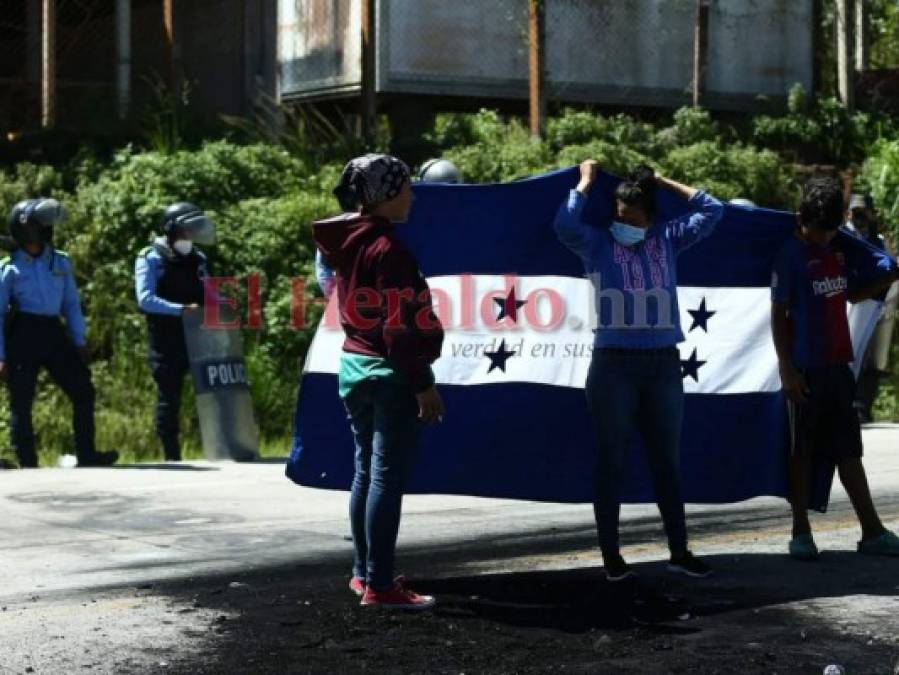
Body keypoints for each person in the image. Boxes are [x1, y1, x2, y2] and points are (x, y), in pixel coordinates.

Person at [554, 161, 724, 581]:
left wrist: (662, 180)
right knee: (611, 460)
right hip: (613, 364)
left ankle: (679, 551)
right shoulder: (596, 244)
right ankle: (611, 556)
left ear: (649, 214)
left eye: (629, 216)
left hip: (664, 363)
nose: (620, 222)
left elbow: (713, 208)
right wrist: (586, 183)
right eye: (616, 214)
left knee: (667, 461)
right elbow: (564, 223)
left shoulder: (668, 239)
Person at [313, 153, 445, 609]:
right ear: (387, 195)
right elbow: (398, 328)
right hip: (389, 375)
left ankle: (363, 573)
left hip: (353, 367)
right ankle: (382, 586)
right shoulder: (389, 249)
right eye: (405, 187)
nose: (412, 194)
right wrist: (423, 383)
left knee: (365, 473)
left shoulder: (346, 241)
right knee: (385, 479)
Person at [772, 177, 899, 560]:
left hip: (837, 368)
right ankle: (801, 533)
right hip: (805, 372)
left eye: (829, 233)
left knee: (849, 452)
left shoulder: (840, 248)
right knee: (802, 453)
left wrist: (891, 274)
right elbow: (778, 316)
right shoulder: (791, 255)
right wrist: (787, 370)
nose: (823, 239)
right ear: (801, 219)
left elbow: (848, 293)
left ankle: (872, 531)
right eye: (817, 232)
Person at [0, 198, 118, 468]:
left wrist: (79, 340)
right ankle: (27, 463)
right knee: (22, 399)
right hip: (23, 333)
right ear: (27, 228)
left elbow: (71, 305)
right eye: (41, 225)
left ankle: (87, 454)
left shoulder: (60, 262)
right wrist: (1, 355)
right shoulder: (8, 269)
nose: (47, 230)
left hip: (54, 332)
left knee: (83, 391)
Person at [134, 202, 216, 462]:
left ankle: (222, 446)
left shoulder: (198, 259)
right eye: (186, 231)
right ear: (172, 230)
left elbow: (209, 292)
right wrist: (181, 310)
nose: (190, 236)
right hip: (166, 338)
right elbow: (145, 299)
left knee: (214, 392)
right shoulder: (151, 257)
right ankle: (172, 455)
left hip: (198, 337)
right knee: (170, 397)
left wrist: (222, 308)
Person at [844, 192, 897, 422]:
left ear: (871, 213)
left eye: (863, 212)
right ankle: (848, 402)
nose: (859, 217)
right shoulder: (841, 237)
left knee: (874, 360)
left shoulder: (878, 242)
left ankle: (863, 407)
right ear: (848, 213)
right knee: (848, 356)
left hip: (878, 308)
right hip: (848, 305)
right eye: (855, 212)